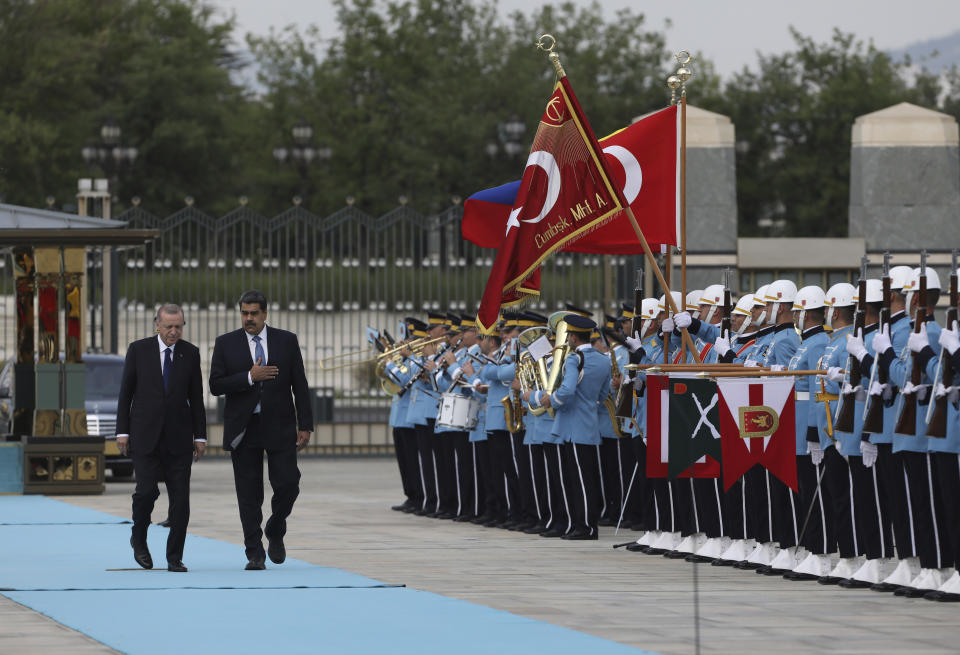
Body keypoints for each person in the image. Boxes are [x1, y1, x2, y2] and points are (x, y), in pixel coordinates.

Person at [210, 290, 313, 570]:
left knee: (288, 483)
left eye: (254, 313)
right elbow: (215, 385)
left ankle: (276, 528)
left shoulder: (286, 341)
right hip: (244, 428)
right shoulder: (226, 343)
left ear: (265, 314)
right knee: (248, 493)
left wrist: (305, 425)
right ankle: (254, 552)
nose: (249, 318)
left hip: (279, 425)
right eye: (244, 313)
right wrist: (248, 377)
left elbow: (299, 385)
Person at [116, 303, 206, 573]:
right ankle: (139, 538)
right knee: (146, 492)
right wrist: (123, 431)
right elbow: (126, 393)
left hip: (179, 439)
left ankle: (174, 557)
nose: (174, 332)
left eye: (178, 327)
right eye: (169, 327)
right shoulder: (138, 350)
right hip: (145, 436)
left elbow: (197, 399)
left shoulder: (190, 354)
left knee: (181, 500)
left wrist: (199, 436)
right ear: (157, 324)